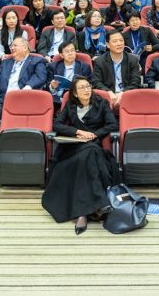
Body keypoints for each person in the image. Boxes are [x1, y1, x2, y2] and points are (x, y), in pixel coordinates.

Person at [41, 76, 119, 234]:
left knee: (90, 152)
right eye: (82, 88)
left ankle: (82, 213)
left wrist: (93, 134)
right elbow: (57, 124)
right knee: (87, 157)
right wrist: (77, 131)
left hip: (93, 146)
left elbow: (112, 124)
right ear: (75, 94)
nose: (87, 89)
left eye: (88, 86)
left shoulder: (101, 103)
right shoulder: (70, 105)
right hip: (73, 148)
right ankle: (99, 203)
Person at [91, 30, 141, 106]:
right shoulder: (100, 61)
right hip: (107, 97)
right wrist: (108, 92)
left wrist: (123, 93)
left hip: (128, 94)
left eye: (121, 40)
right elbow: (96, 82)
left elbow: (135, 81)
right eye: (115, 41)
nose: (119, 44)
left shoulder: (133, 59)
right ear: (108, 45)